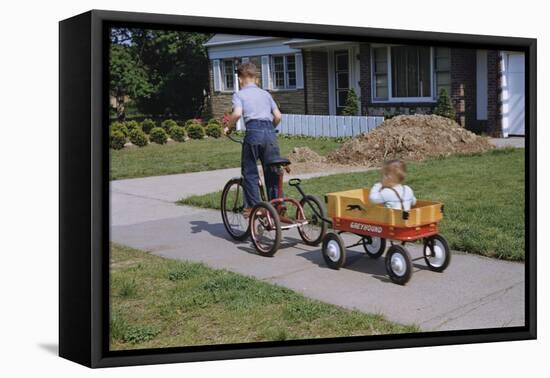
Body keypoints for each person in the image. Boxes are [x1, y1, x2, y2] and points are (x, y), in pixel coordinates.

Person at [223, 62, 283, 216]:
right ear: (256, 78)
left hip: (253, 132)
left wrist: (228, 127)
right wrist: (270, 128)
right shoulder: (266, 94)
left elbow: (237, 114)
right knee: (272, 171)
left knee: (250, 172)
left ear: (241, 79)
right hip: (270, 133)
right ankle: (277, 207)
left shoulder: (239, 94)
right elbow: (278, 116)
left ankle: (253, 208)